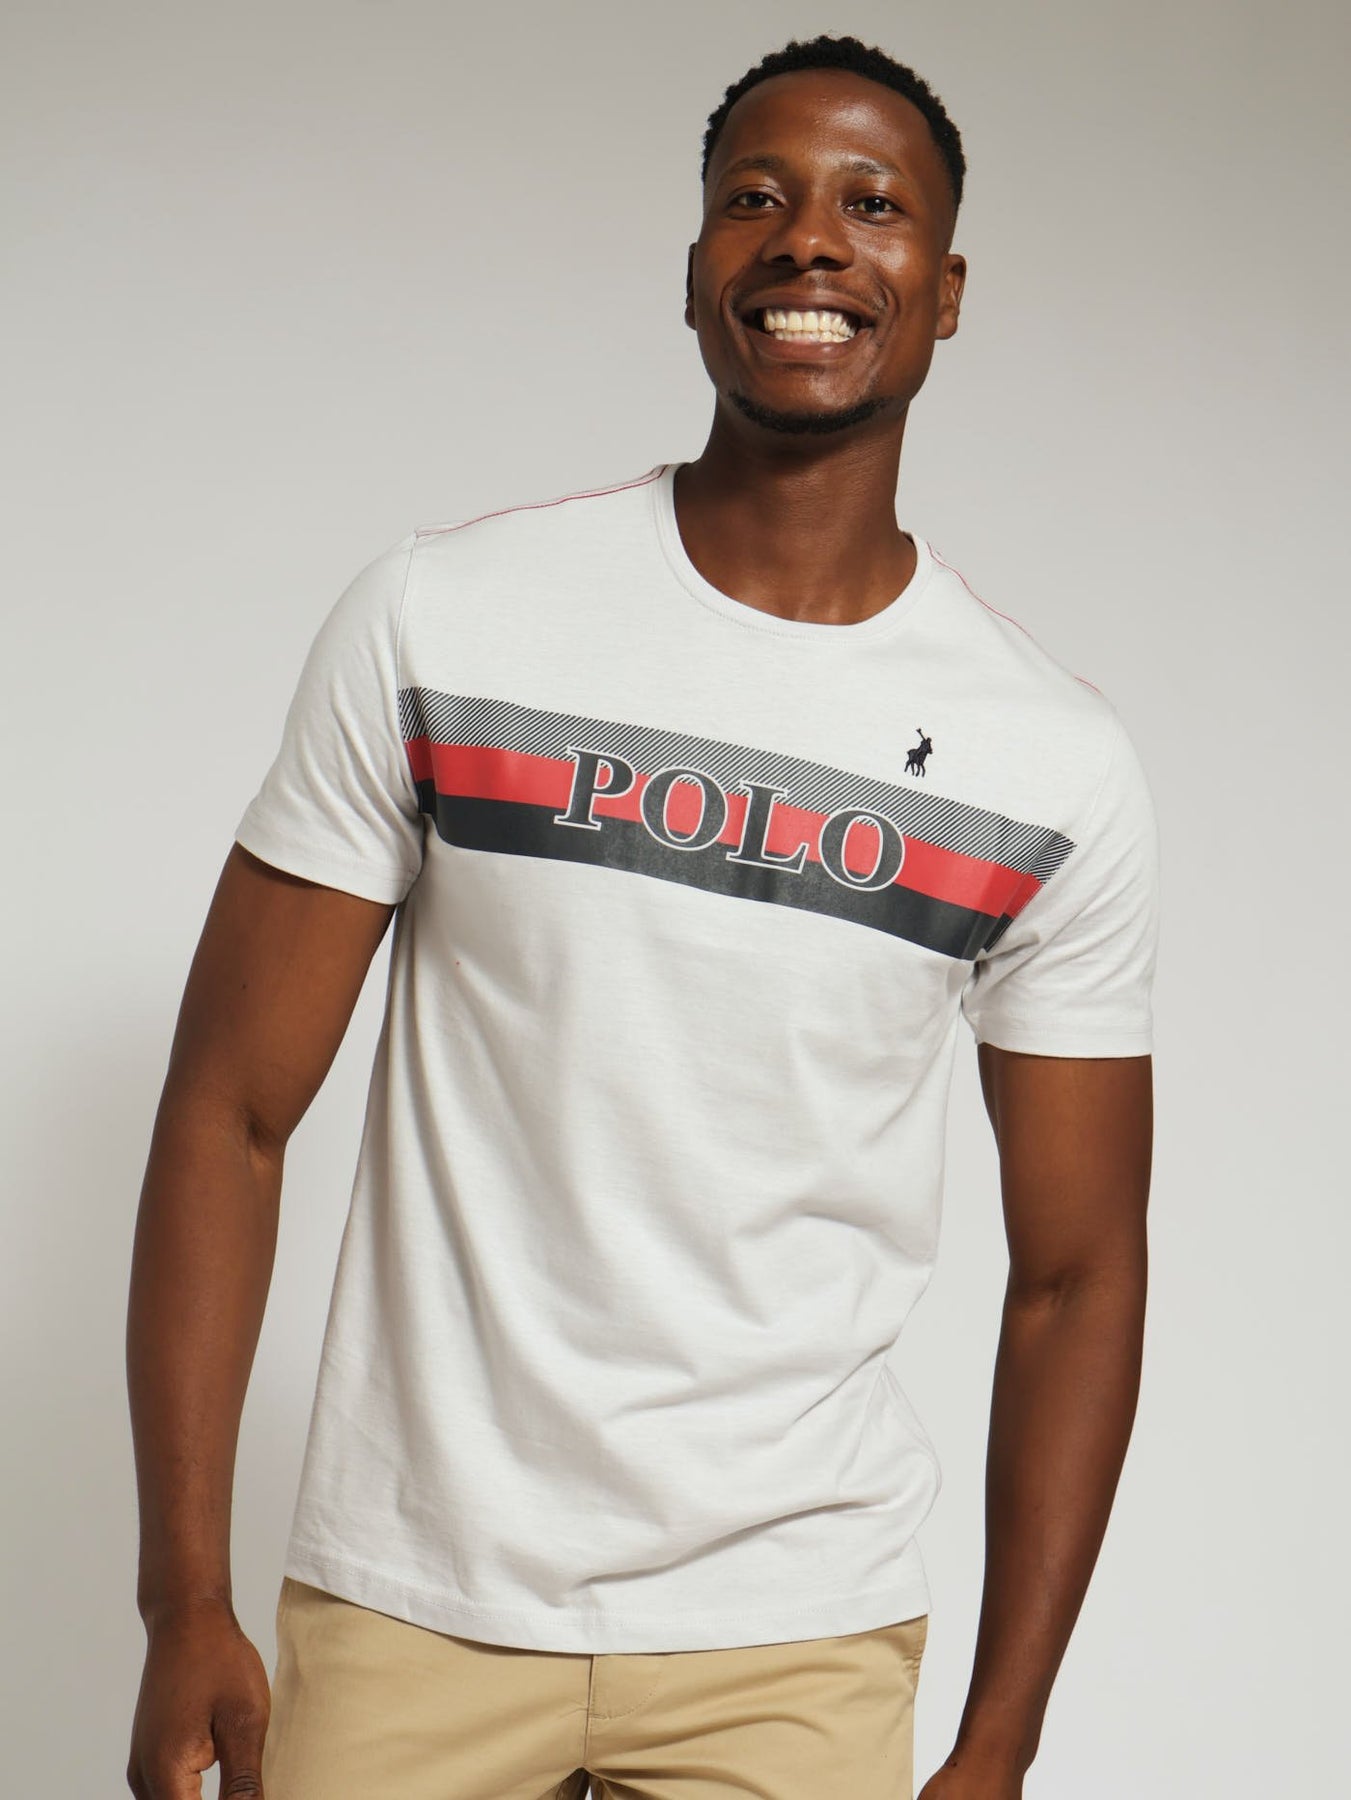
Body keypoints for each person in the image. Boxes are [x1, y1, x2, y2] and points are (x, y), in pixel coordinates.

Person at [125, 30, 1158, 1800]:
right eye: (756, 197)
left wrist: (1001, 1739)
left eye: (873, 205)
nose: (810, 238)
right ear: (695, 275)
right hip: (413, 1602)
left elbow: (1078, 1274)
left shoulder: (1051, 763)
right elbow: (230, 1111)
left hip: (797, 1632)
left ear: (945, 290)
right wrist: (182, 1597)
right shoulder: (445, 621)